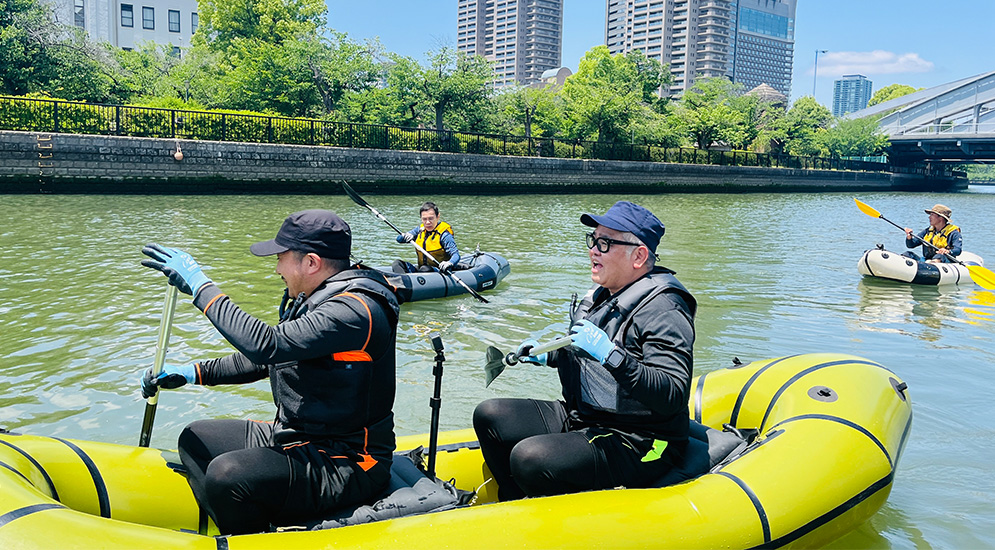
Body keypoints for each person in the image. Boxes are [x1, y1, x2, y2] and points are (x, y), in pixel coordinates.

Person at [138, 210, 401, 535]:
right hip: (297, 433)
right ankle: (236, 531)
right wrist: (192, 373)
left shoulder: (355, 311)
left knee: (226, 474)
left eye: (282, 258)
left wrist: (201, 287)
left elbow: (266, 345)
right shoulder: (311, 297)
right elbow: (268, 360)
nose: (277, 268)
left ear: (311, 262)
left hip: (348, 461)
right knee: (195, 439)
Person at [472, 201, 696, 501]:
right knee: (490, 415)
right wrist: (549, 355)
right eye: (593, 240)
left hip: (643, 440)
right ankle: (512, 506)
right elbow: (587, 360)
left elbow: (673, 394)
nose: (593, 250)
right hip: (588, 417)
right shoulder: (605, 296)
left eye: (605, 243)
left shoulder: (665, 310)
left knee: (530, 458)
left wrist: (612, 356)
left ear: (639, 256)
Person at [391, 201, 461, 274]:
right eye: (424, 219)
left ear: (438, 217)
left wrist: (450, 263)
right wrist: (406, 235)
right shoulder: (419, 231)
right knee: (397, 263)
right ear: (421, 219)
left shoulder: (444, 235)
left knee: (425, 269)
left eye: (431, 218)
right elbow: (399, 239)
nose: (427, 222)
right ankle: (403, 283)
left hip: (438, 271)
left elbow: (456, 255)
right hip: (421, 269)